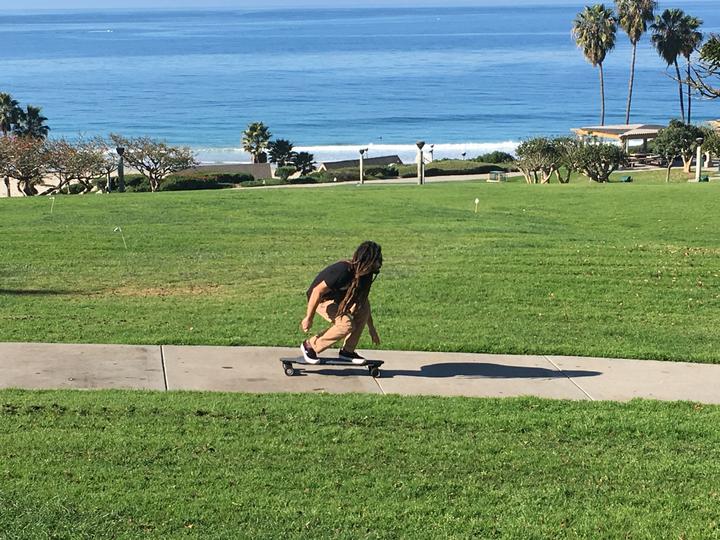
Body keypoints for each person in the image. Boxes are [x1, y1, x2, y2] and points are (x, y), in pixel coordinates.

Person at [300, 241, 382, 364]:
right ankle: (310, 345)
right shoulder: (343, 270)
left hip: (339, 300)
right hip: (321, 300)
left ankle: (347, 351)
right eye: (377, 259)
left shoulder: (365, 275)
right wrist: (308, 318)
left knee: (363, 308)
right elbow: (317, 291)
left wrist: (372, 328)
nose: (380, 262)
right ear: (367, 260)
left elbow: (363, 300)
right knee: (346, 325)